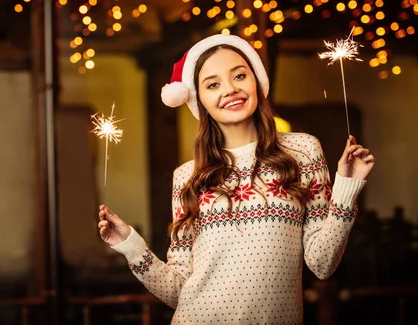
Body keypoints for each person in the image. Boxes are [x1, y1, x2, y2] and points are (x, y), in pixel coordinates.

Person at [98, 34, 375, 324]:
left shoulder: (303, 151)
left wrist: (347, 188)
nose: (230, 90)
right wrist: (129, 244)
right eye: (213, 84)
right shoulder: (187, 177)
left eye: (239, 75)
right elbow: (178, 290)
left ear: (256, 81)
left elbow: (322, 264)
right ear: (199, 99)